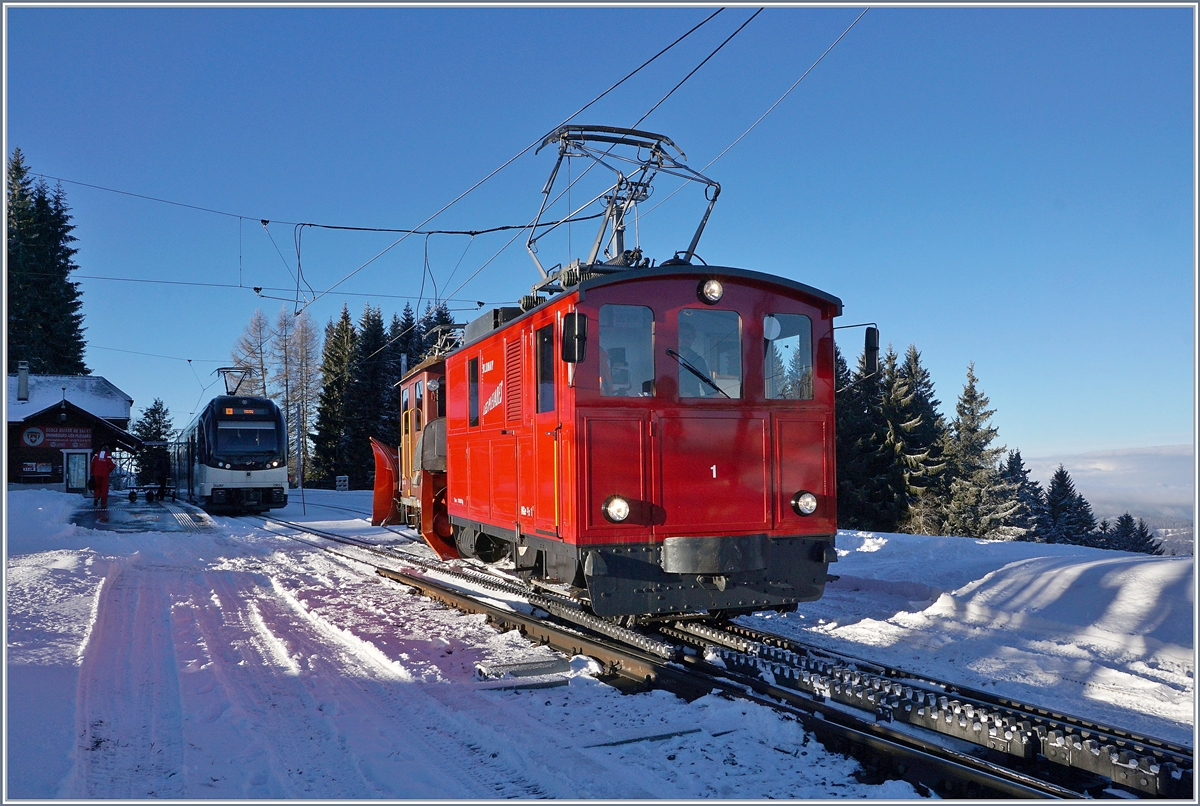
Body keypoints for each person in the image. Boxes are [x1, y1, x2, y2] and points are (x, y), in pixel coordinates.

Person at [677, 321, 713, 397]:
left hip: (692, 403)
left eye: (690, 337)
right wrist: (681, 393)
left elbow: (707, 385)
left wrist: (717, 395)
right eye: (683, 335)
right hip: (670, 403)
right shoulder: (665, 358)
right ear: (676, 336)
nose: (686, 339)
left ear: (693, 339)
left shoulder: (698, 361)